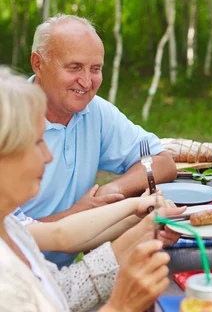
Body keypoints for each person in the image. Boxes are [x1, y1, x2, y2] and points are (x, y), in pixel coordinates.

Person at [0, 66, 180, 311]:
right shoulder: (6, 283)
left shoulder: (8, 223)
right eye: (37, 142)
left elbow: (62, 284)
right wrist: (121, 306)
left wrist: (140, 221)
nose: (48, 156)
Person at [22, 14, 177, 266]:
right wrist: (80, 213)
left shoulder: (95, 111)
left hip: (61, 275)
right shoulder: (10, 123)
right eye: (74, 67)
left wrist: (111, 192)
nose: (86, 82)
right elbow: (11, 237)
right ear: (38, 64)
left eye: (95, 69)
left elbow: (161, 161)